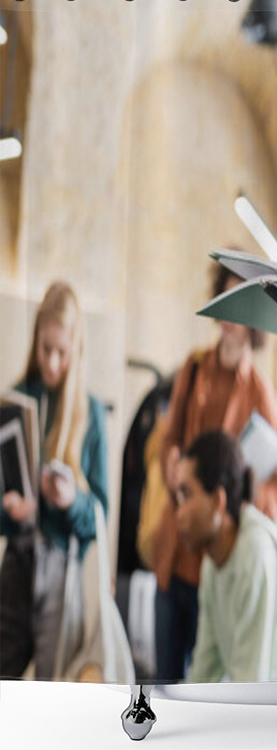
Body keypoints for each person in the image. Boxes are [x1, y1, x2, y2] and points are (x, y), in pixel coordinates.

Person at [152, 262, 277, 682]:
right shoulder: (192, 371)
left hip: (218, 558)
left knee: (207, 680)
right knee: (163, 684)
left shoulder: (262, 394)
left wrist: (235, 500)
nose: (232, 318)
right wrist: (173, 463)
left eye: (241, 305)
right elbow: (166, 443)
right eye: (226, 302)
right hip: (176, 551)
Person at [0, 281, 109, 680]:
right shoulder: (14, 399)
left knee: (53, 690)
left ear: (76, 350)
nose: (51, 362)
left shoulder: (91, 413)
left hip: (63, 570)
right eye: (46, 348)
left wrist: (69, 501)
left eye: (62, 352)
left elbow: (100, 514)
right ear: (36, 341)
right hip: (17, 564)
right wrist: (16, 513)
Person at [177, 431, 277, 683]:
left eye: (187, 494)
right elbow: (205, 668)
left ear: (217, 501)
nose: (178, 513)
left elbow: (250, 682)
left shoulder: (255, 552)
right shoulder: (211, 564)